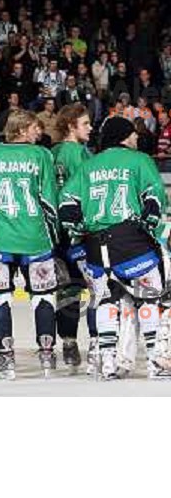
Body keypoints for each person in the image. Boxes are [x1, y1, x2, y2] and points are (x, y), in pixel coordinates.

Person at [59, 117, 170, 380]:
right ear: (122, 136)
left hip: (96, 244)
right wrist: (150, 223)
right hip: (131, 241)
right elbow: (155, 198)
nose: (136, 139)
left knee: (106, 300)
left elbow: (67, 202)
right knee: (148, 298)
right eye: (133, 134)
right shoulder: (140, 160)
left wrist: (78, 228)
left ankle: (107, 363)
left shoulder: (89, 166)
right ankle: (155, 361)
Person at [0, 110, 59, 379]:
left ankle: (4, 355)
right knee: (43, 296)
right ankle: (46, 352)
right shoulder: (42, 155)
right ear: (21, 129)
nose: (39, 132)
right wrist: (54, 237)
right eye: (35, 128)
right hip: (36, 238)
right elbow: (49, 202)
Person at [50, 104, 98, 373]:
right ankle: (96, 342)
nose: (90, 127)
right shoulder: (80, 153)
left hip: (57, 234)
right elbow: (90, 192)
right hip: (79, 232)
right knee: (95, 288)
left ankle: (68, 342)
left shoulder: (52, 152)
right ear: (71, 126)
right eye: (85, 123)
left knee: (67, 290)